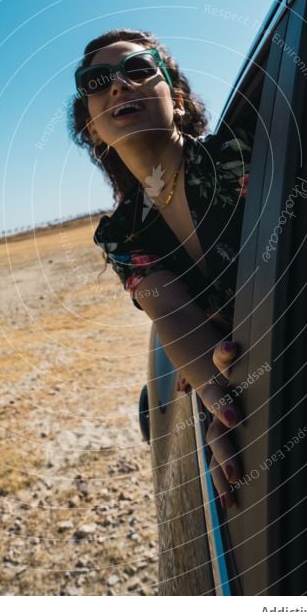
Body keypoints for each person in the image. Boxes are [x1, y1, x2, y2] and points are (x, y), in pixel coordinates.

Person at [69, 27, 252, 509]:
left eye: (138, 69)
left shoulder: (241, 154)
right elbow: (170, 313)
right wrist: (223, 406)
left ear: (178, 96)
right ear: (91, 128)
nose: (118, 86)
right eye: (96, 80)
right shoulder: (121, 235)